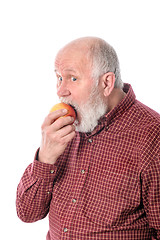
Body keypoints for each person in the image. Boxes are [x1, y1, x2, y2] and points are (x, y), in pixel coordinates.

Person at [16, 37, 160, 239]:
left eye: (72, 78)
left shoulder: (153, 136)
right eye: (59, 78)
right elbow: (27, 214)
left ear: (106, 82)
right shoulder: (64, 129)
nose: (60, 91)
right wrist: (45, 157)